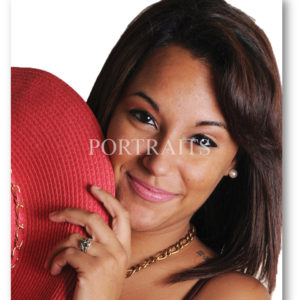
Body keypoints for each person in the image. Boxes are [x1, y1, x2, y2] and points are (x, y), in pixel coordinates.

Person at [44, 0, 282, 299]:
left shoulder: (231, 294)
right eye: (145, 117)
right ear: (110, 105)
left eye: (202, 140)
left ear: (234, 161)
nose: (158, 163)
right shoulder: (21, 224)